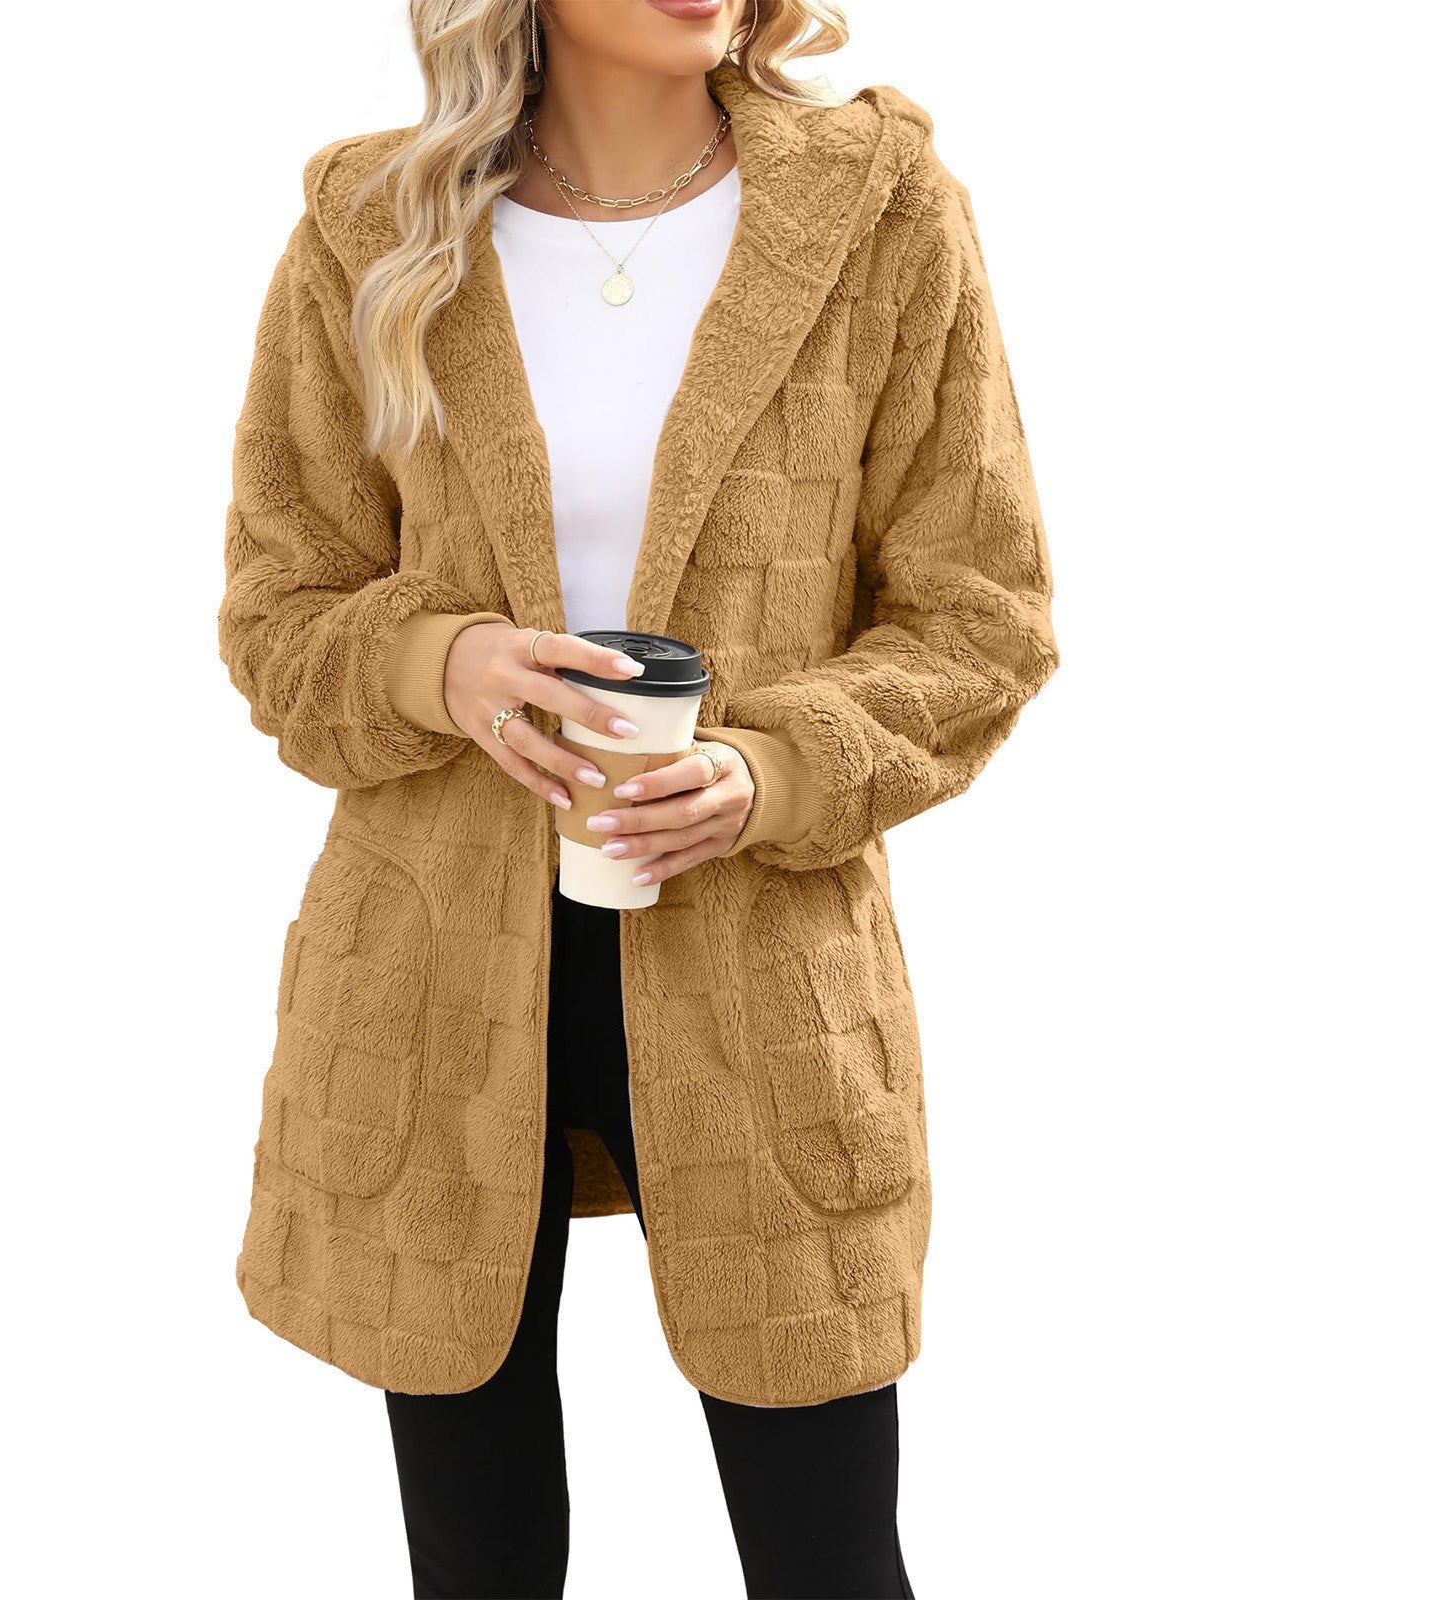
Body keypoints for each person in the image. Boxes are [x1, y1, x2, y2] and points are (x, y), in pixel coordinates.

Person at [217, 2, 1058, 1595]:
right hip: (433, 986)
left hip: (766, 978)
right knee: (476, 1560)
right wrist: (441, 663)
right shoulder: (371, 229)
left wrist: (767, 769)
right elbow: (277, 612)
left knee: (828, 1554)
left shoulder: (881, 211)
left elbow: (981, 618)